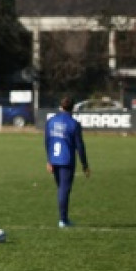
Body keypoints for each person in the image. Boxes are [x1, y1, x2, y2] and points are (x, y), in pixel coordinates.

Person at [45, 96, 90, 228]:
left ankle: (63, 218)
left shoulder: (51, 121)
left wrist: (48, 160)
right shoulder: (73, 124)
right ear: (73, 108)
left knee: (61, 189)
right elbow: (80, 146)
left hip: (54, 158)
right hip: (66, 160)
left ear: (61, 106)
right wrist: (85, 165)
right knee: (64, 190)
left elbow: (47, 141)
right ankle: (63, 220)